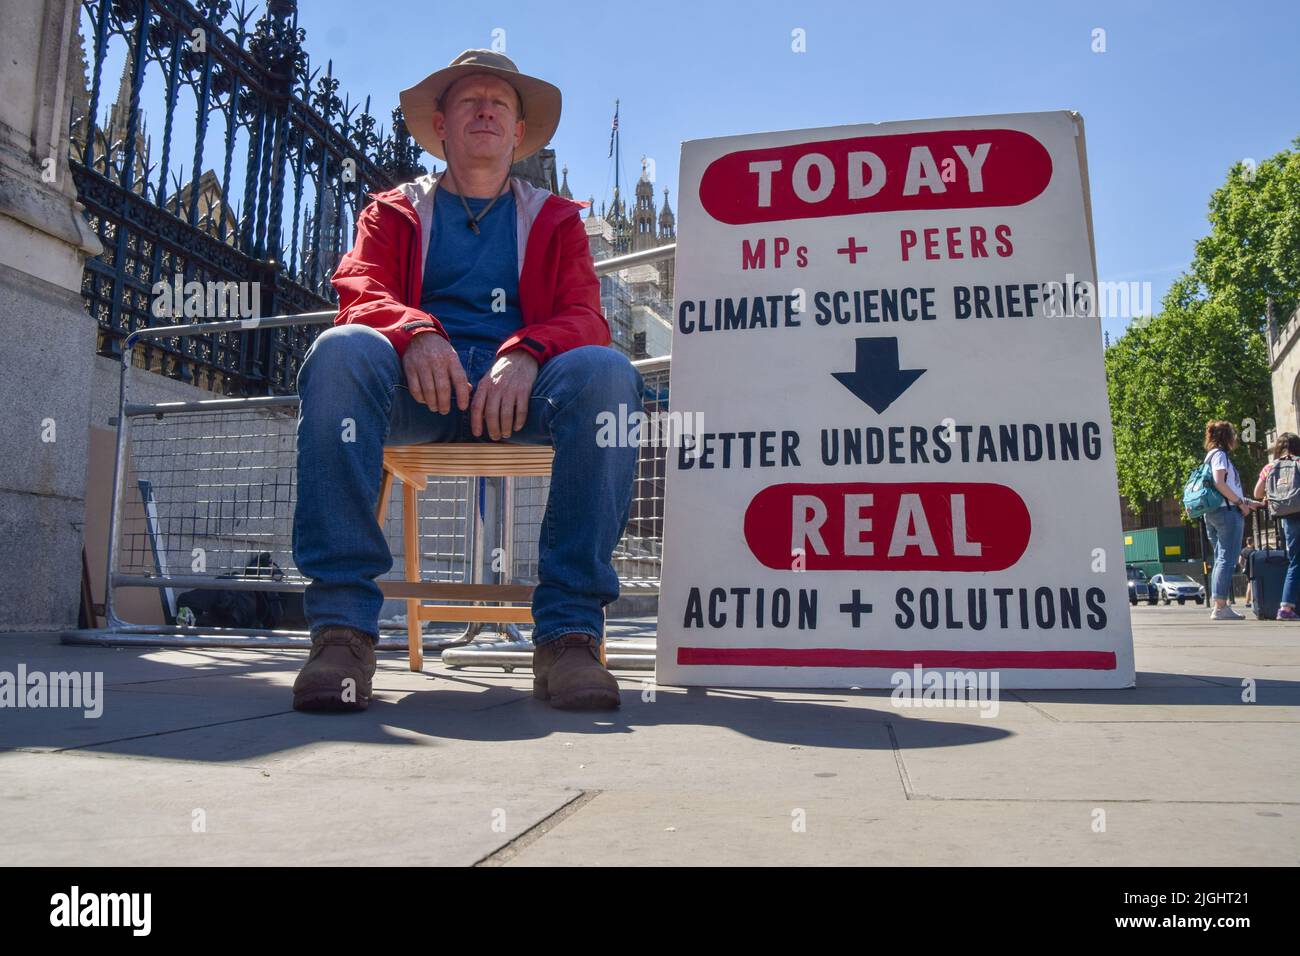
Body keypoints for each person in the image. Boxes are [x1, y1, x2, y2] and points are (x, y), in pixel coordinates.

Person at [290, 50, 642, 712]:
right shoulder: (394, 210)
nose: (485, 110)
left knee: (607, 373)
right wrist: (416, 332)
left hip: (523, 397)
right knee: (339, 351)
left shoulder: (557, 219)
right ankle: (341, 632)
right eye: (469, 101)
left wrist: (528, 352)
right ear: (441, 126)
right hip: (416, 393)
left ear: (517, 134)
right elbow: (358, 288)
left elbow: (584, 317)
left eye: (500, 104)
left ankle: (569, 634)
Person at [1202, 421, 1262, 620]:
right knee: (1226, 559)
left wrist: (1248, 501)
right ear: (1226, 437)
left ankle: (1219, 604)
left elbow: (1223, 487)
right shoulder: (1220, 456)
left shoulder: (1209, 457)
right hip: (1226, 513)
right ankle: (1220, 606)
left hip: (1213, 511)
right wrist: (1240, 503)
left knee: (1220, 557)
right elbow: (1220, 483)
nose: (1236, 438)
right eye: (1234, 434)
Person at [1254, 432, 1300, 620]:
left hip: (1287, 516)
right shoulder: (1298, 462)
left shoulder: (1270, 467)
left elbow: (1257, 492)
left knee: (1295, 561)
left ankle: (1285, 608)